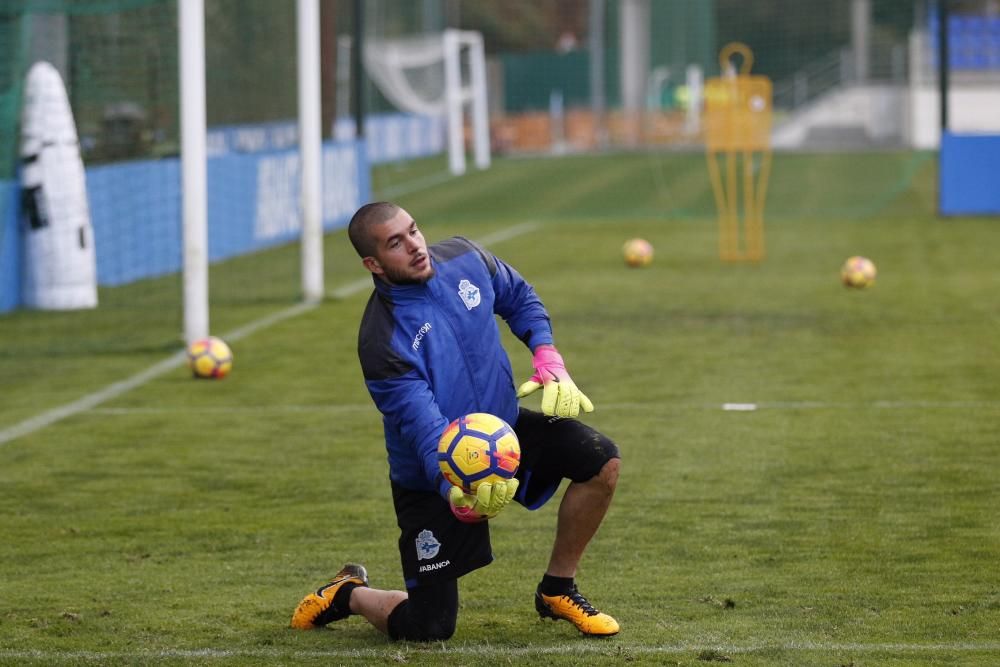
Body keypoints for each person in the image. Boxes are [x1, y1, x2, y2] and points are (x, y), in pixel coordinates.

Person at [290, 201, 621, 640]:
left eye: (413, 231)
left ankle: (557, 589)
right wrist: (455, 490)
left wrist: (546, 352)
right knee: (430, 627)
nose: (414, 246)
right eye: (396, 243)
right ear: (373, 264)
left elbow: (519, 296)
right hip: (437, 471)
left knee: (601, 461)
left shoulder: (466, 257)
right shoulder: (383, 340)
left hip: (504, 432)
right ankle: (348, 593)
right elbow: (426, 433)